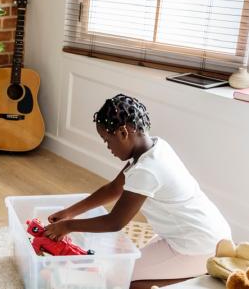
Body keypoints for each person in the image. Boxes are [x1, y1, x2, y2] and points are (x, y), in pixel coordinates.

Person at [44, 94, 231, 289]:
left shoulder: (147, 170)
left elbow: (115, 222)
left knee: (126, 281)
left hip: (198, 245)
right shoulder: (156, 147)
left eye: (107, 140)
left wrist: (68, 227)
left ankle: (200, 278)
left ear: (124, 132)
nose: (108, 147)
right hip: (203, 233)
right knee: (124, 270)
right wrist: (69, 212)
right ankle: (198, 270)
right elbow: (114, 188)